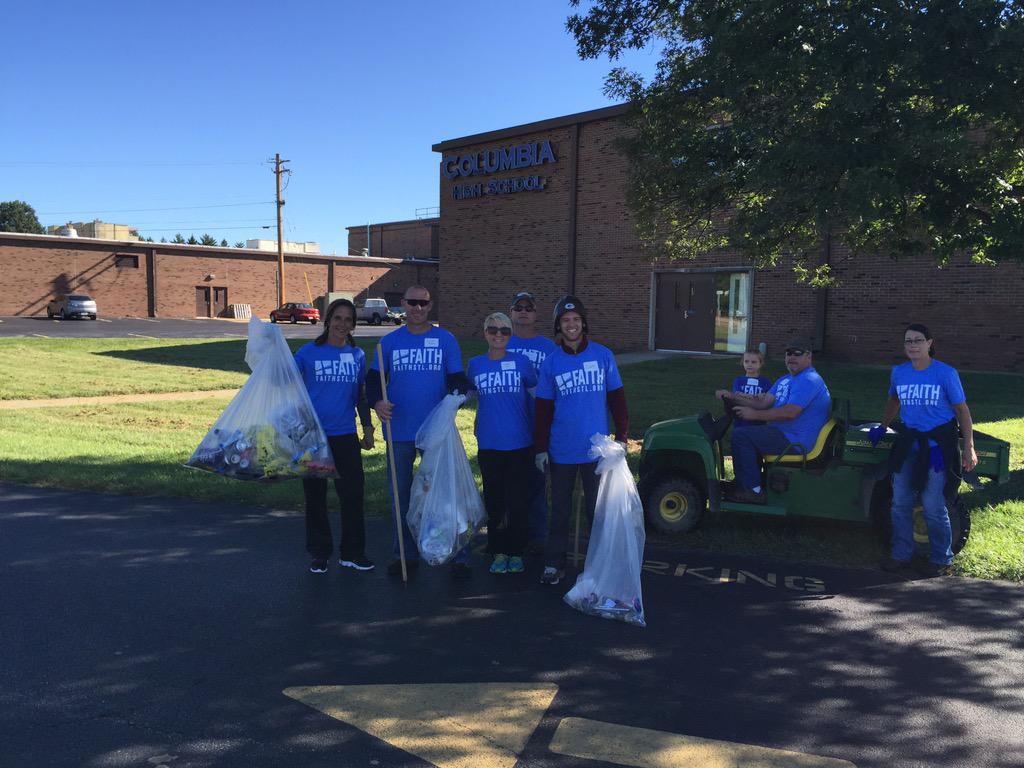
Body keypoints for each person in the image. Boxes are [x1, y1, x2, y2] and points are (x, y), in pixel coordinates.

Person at [365, 285, 472, 578]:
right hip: (398, 430)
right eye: (412, 302)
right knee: (400, 495)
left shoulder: (445, 340)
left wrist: (457, 396)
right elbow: (374, 381)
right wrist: (377, 402)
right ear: (403, 304)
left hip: (435, 433)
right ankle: (404, 554)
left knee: (444, 494)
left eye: (423, 303)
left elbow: (457, 379)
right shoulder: (388, 343)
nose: (417, 308)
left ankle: (457, 553)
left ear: (430, 305)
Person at [534, 295, 629, 586]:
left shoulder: (603, 356)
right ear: (558, 326)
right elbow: (543, 409)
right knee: (560, 510)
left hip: (596, 450)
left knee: (596, 511)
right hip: (561, 448)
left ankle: (599, 564)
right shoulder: (551, 363)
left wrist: (622, 438)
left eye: (575, 320)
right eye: (565, 320)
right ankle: (554, 564)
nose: (571, 325)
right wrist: (540, 448)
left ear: (583, 323)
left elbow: (618, 401)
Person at [871, 323, 977, 577]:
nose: (913, 346)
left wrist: (969, 447)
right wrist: (883, 425)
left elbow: (962, 410)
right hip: (909, 444)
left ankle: (942, 558)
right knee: (900, 501)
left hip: (938, 448)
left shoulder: (945, 373)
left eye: (918, 340)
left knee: (932, 503)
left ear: (930, 343)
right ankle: (901, 555)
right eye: (908, 341)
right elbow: (894, 399)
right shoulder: (899, 373)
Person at [293, 298, 375, 574]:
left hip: (345, 434)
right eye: (338, 318)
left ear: (354, 325)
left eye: (348, 320)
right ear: (328, 320)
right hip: (313, 436)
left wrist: (368, 427)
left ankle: (352, 553)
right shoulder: (307, 353)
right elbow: (284, 381)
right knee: (315, 497)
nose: (343, 324)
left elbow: (361, 397)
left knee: (352, 495)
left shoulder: (357, 355)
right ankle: (319, 552)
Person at [467, 312, 537, 575]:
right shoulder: (475, 365)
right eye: (493, 330)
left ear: (510, 335)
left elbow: (536, 399)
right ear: (485, 333)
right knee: (495, 500)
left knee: (518, 500)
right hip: (489, 442)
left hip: (520, 442)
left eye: (504, 331)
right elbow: (465, 396)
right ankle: (497, 550)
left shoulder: (522, 363)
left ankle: (516, 551)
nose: (498, 335)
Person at [728, 338, 832, 504]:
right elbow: (762, 403)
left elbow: (790, 412)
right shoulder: (785, 379)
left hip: (796, 440)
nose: (791, 357)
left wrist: (754, 415)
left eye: (797, 354)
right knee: (746, 433)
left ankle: (753, 491)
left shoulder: (809, 379)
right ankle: (747, 483)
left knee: (741, 436)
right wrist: (733, 398)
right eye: (788, 353)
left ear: (808, 357)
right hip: (782, 433)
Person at [506, 291, 558, 553]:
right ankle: (511, 535)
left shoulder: (548, 347)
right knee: (510, 484)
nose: (523, 311)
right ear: (511, 313)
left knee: (538, 484)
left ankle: (539, 537)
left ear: (536, 314)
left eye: (529, 307)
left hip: (539, 425)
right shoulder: (501, 342)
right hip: (509, 426)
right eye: (518, 307)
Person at [699, 350, 772, 441]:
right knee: (741, 440)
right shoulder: (739, 380)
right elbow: (737, 396)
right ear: (743, 362)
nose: (749, 364)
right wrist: (756, 397)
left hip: (758, 421)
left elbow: (768, 400)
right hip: (741, 419)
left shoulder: (765, 381)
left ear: (760, 364)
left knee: (757, 442)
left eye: (753, 362)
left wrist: (749, 396)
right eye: (746, 361)